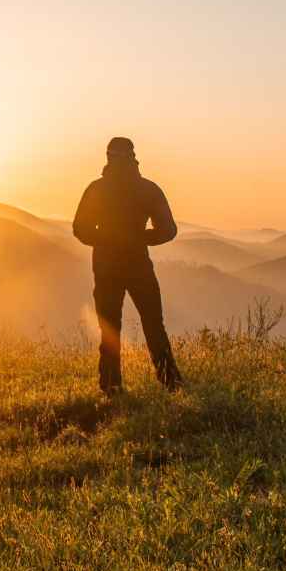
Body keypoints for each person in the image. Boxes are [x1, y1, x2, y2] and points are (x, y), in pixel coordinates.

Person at [72, 137, 183, 393]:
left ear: (108, 157)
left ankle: (111, 386)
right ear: (133, 157)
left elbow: (80, 229)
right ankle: (171, 382)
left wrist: (106, 239)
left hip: (105, 265)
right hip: (138, 265)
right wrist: (139, 237)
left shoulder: (96, 189)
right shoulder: (147, 189)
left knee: (109, 327)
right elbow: (168, 230)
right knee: (153, 324)